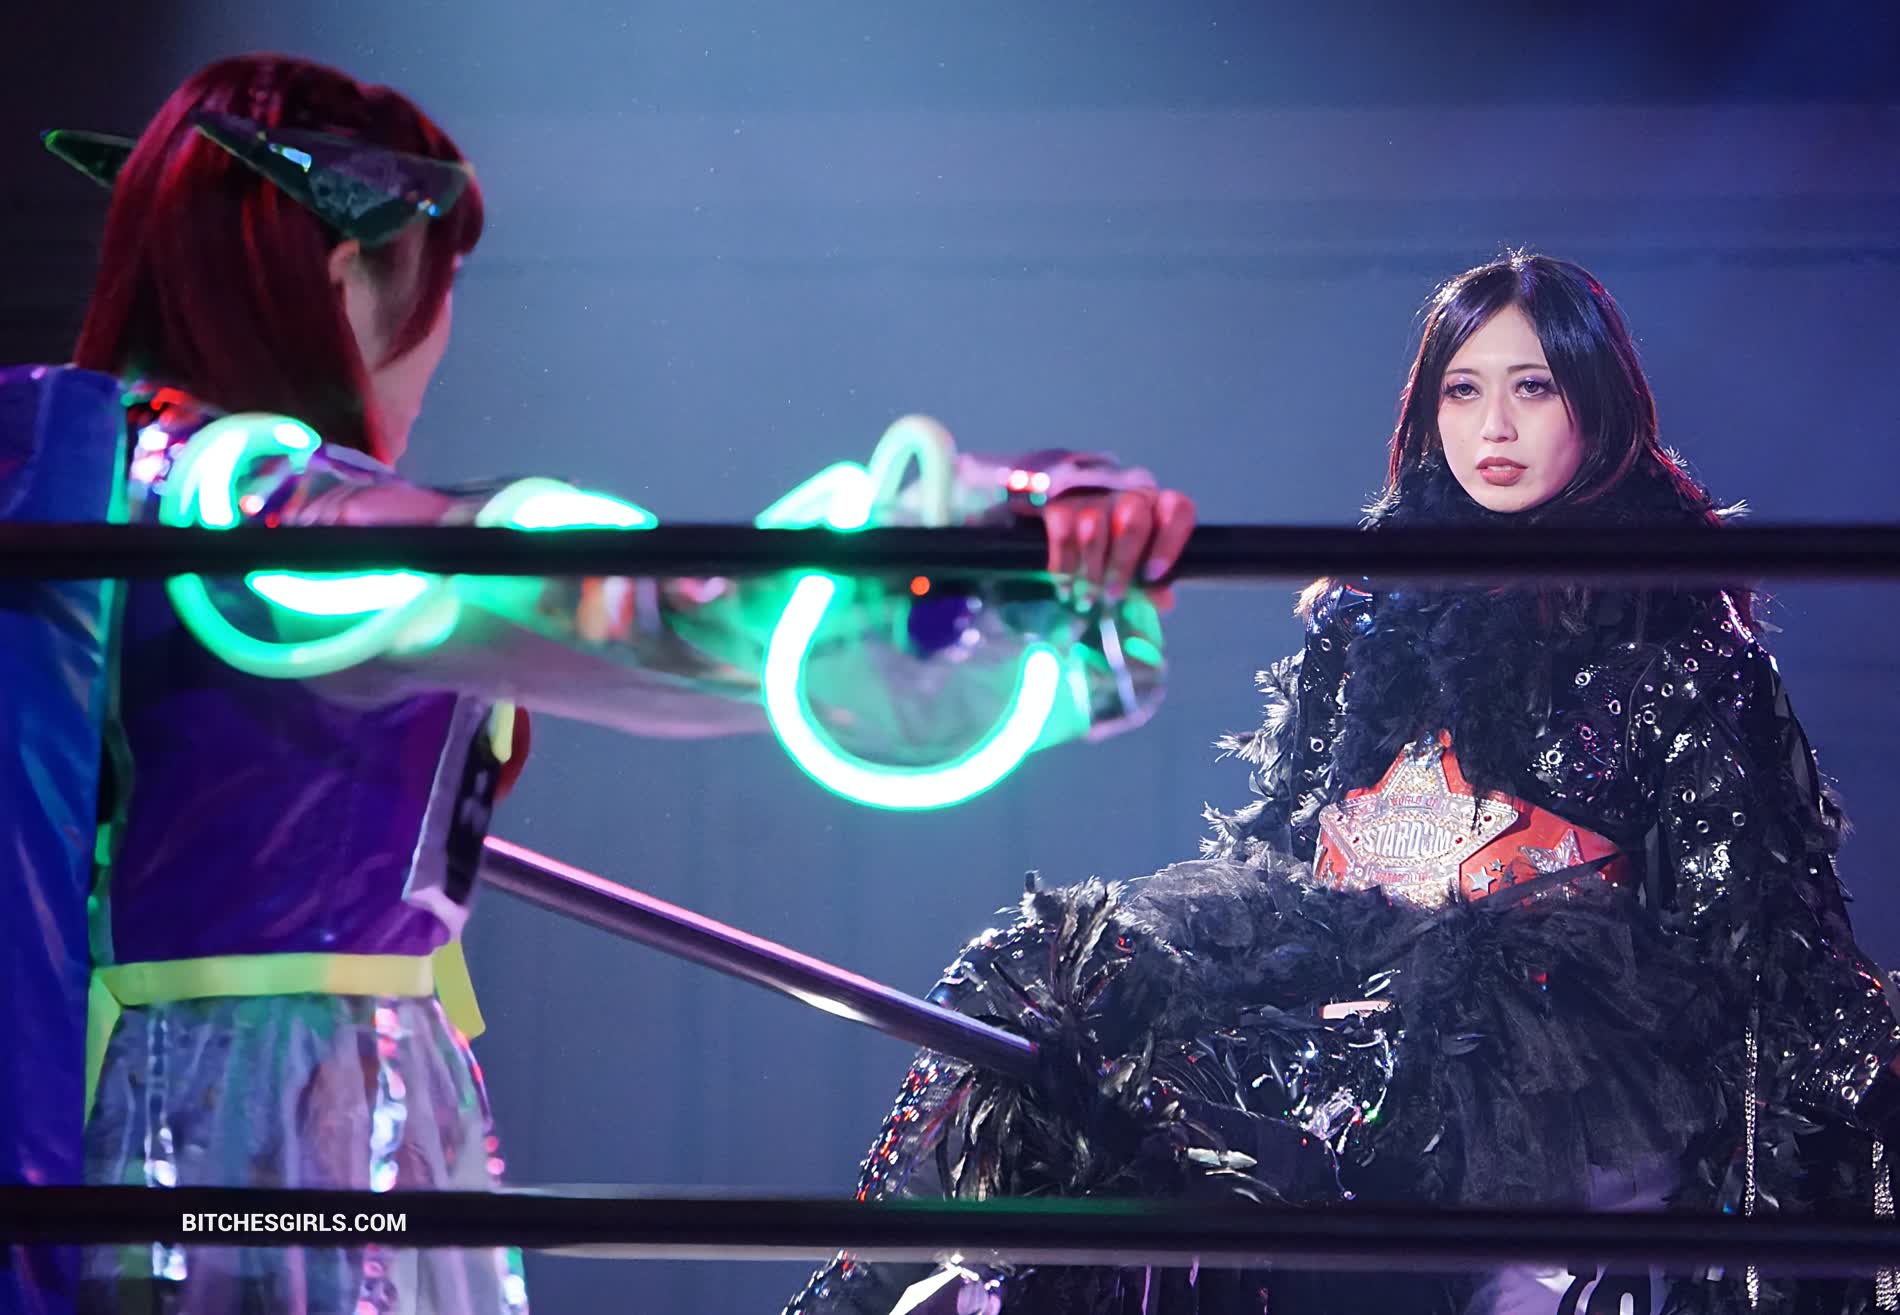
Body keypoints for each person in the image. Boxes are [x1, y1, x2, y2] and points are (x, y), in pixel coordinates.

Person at [0, 52, 1196, 1315]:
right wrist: (970, 538)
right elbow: (588, 599)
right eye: (442, 280)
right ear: (352, 273)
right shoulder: (241, 507)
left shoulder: (124, 481)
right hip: (243, 1126)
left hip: (307, 1097)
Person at [786, 252, 1900, 1315]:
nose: (1494, 426)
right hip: (1340, 949)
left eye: (1533, 387)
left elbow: (1755, 940)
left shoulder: (1676, 640)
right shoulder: (1367, 616)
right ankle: (861, 1290)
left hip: (1535, 1039)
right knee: (1049, 976)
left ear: (1595, 407)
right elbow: (1281, 846)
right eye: (1463, 390)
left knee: (1301, 1086)